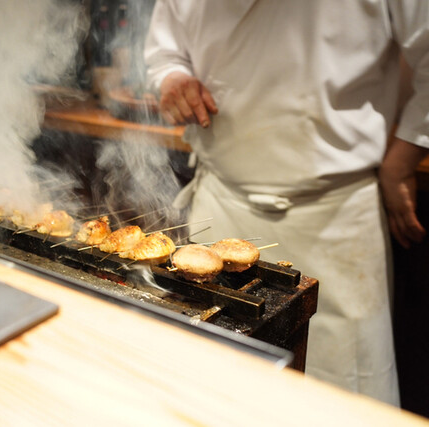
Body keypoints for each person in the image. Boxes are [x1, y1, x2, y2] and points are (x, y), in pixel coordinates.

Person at [144, 0, 429, 406]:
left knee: (337, 402)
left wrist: (402, 161)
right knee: (209, 397)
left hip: (336, 222)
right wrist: (173, 78)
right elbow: (165, 50)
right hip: (219, 210)